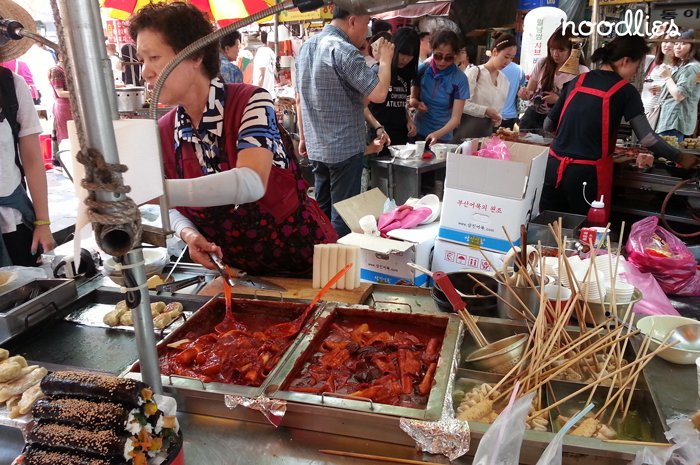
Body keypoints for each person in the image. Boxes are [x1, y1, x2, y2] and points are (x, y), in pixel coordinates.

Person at [128, 3, 336, 277]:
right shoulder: (166, 131)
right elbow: (175, 207)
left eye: (154, 57)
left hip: (306, 264)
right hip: (238, 274)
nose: (145, 72)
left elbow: (250, 182)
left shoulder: (250, 101)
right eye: (142, 60)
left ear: (195, 56)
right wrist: (188, 233)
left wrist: (152, 192)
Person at [539, 35, 698, 223]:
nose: (634, 74)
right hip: (586, 176)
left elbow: (548, 125)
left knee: (550, 230)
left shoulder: (577, 81)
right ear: (625, 61)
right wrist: (678, 156)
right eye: (636, 68)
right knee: (586, 235)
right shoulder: (625, 91)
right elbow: (647, 138)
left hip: (553, 169)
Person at [295, 8, 394, 237]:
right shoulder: (343, 50)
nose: (366, 33)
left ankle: (320, 261)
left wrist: (303, 135)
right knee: (343, 216)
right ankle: (337, 266)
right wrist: (386, 60)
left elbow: (299, 98)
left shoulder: (307, 47)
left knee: (322, 211)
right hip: (343, 148)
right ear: (352, 21)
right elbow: (379, 94)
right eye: (366, 24)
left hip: (317, 146)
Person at [0, 0, 55, 266]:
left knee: (27, 298)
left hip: (14, 221)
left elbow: (33, 160)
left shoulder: (12, 86)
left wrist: (42, 222)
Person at [518, 28, 589, 131]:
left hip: (558, 120)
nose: (555, 54)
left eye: (561, 50)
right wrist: (525, 94)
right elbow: (530, 91)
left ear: (572, 50)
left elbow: (582, 104)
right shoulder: (543, 63)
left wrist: (557, 100)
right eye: (552, 49)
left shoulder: (581, 71)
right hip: (532, 117)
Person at [410, 29, 469, 146]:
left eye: (448, 58)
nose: (442, 62)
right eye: (438, 56)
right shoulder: (422, 69)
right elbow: (412, 99)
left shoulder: (460, 79)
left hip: (442, 137)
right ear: (432, 50)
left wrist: (437, 134)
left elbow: (456, 119)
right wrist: (417, 104)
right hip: (417, 131)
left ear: (455, 55)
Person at [366, 27, 419, 155]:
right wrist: (378, 127)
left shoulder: (405, 74)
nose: (405, 59)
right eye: (402, 54)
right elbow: (363, 106)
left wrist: (409, 120)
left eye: (410, 56)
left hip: (400, 135)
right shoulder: (378, 70)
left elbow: (399, 101)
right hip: (380, 136)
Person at [453, 32, 517, 140]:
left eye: (512, 58)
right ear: (495, 52)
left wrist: (497, 118)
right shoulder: (475, 72)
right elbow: (461, 104)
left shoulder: (505, 81)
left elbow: (498, 111)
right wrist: (485, 110)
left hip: (486, 133)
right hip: (467, 131)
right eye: (506, 56)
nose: (508, 62)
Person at [656, 29, 700, 142]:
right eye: (676, 43)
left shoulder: (692, 67)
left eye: (684, 43)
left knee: (666, 156)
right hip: (671, 119)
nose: (677, 47)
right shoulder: (685, 65)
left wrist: (667, 77)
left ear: (693, 47)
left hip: (674, 121)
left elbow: (679, 95)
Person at [640, 35, 678, 130]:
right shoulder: (651, 61)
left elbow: (681, 92)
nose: (667, 45)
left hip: (664, 116)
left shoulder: (680, 68)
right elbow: (636, 52)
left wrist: (663, 89)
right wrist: (655, 36)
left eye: (672, 42)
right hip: (643, 110)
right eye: (665, 41)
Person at [48, 54, 73, 143]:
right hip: (64, 107)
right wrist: (79, 93)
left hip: (71, 106)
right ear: (60, 56)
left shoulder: (68, 69)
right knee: (67, 137)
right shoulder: (56, 70)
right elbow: (60, 93)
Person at [500, 59, 526, 130]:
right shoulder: (519, 69)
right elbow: (523, 85)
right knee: (507, 139)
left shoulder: (492, 68)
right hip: (510, 114)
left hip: (491, 114)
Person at [253, 30, 276, 99]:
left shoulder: (262, 52)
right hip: (270, 94)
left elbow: (261, 75)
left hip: (262, 95)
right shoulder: (271, 52)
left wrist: (257, 94)